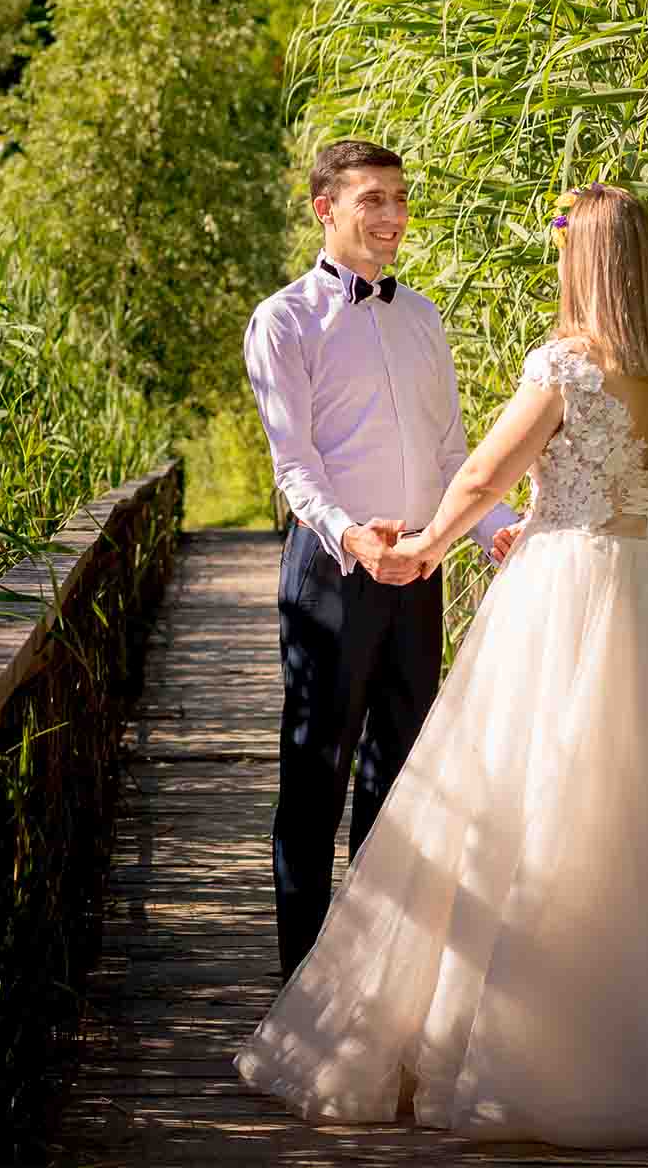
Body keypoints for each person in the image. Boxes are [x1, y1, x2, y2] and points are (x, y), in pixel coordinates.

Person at [234, 182, 648, 1147]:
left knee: (531, 799)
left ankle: (530, 1049)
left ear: (581, 258)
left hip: (572, 589)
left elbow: (480, 474)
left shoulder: (569, 366)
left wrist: (423, 545)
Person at [241, 139, 517, 983]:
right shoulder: (283, 320)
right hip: (333, 576)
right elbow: (293, 465)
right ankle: (299, 989)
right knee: (315, 782)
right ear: (325, 208)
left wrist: (491, 529)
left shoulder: (422, 315)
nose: (394, 216)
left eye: (399, 198)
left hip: (420, 577)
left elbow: (448, 451)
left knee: (399, 784)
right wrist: (352, 534)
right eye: (373, 200)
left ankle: (368, 990)